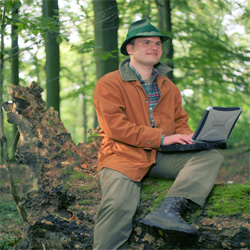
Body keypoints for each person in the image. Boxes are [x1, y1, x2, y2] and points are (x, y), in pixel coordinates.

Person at [93, 18, 223, 250]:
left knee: (210, 156)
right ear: (130, 49)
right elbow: (115, 127)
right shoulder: (109, 83)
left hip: (162, 155)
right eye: (146, 42)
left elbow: (180, 122)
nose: (154, 47)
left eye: (157, 44)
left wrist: (193, 138)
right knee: (118, 204)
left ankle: (169, 211)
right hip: (122, 156)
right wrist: (161, 138)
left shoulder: (168, 86)